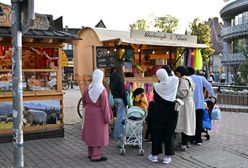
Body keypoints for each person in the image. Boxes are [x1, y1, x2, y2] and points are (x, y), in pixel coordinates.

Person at [148, 68, 179, 164]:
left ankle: (154, 155)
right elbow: (174, 75)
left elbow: (155, 98)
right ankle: (167, 157)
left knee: (157, 133)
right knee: (169, 134)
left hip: (159, 111)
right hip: (172, 111)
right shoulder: (174, 81)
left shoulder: (156, 86)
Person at [81, 69, 113, 162]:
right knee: (98, 135)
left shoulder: (88, 88)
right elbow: (105, 106)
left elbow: (83, 100)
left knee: (90, 133)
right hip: (98, 115)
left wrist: (86, 109)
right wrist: (107, 118)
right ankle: (96, 155)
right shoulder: (102, 90)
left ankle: (90, 153)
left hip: (88, 113)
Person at [187, 67, 215, 146]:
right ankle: (198, 140)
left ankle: (191, 139)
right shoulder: (200, 78)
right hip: (200, 104)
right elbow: (208, 86)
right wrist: (211, 95)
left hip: (190, 104)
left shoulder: (187, 79)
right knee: (199, 122)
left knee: (190, 122)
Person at [175, 66, 196, 151]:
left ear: (180, 73)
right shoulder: (189, 79)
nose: (176, 75)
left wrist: (174, 92)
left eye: (177, 73)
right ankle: (186, 142)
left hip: (185, 104)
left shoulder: (183, 80)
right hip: (189, 103)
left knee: (184, 124)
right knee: (188, 124)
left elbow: (182, 93)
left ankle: (183, 145)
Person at [109, 63, 128, 147]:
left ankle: (117, 135)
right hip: (120, 99)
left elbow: (110, 87)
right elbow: (123, 92)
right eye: (124, 68)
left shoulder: (113, 76)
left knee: (118, 117)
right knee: (120, 118)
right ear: (121, 68)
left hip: (115, 98)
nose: (124, 69)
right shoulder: (120, 77)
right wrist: (126, 102)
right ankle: (118, 136)